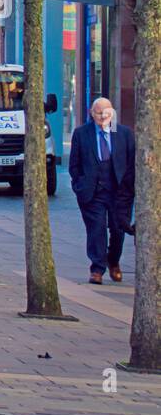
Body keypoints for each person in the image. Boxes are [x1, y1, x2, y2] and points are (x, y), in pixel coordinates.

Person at [69, 97, 136, 284]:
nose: (102, 115)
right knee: (96, 229)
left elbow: (131, 163)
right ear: (92, 113)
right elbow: (74, 164)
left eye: (106, 112)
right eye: (98, 112)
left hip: (118, 192)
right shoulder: (82, 133)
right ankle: (97, 268)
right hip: (93, 192)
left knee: (118, 229)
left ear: (112, 113)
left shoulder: (124, 134)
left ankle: (113, 261)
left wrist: (129, 188)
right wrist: (79, 185)